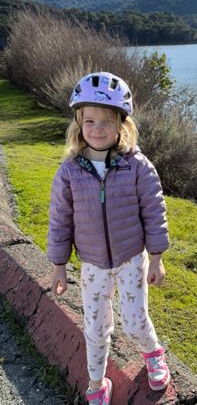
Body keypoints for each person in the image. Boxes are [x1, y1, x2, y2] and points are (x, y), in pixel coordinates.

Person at [47, 71, 170, 405]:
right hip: (92, 264)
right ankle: (97, 382)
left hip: (131, 259)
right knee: (95, 327)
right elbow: (60, 220)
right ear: (78, 124)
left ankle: (153, 352)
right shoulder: (69, 171)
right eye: (89, 121)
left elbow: (154, 211)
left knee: (134, 323)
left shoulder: (137, 166)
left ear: (121, 125)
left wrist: (156, 258)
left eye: (107, 121)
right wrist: (59, 265)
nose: (97, 129)